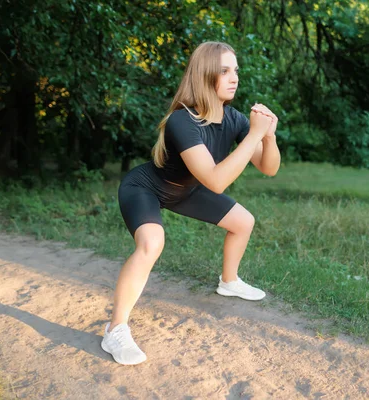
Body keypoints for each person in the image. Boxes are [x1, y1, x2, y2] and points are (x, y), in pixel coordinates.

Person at [101, 41, 281, 365]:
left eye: (236, 71)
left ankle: (229, 282)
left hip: (188, 190)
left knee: (243, 222)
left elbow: (269, 168)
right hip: (147, 187)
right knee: (151, 243)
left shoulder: (234, 118)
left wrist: (268, 136)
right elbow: (215, 180)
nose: (234, 77)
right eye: (224, 70)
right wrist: (254, 135)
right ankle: (115, 330)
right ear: (204, 74)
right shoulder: (182, 121)